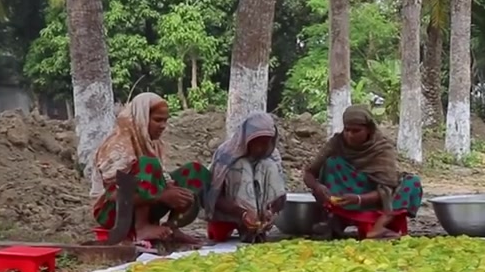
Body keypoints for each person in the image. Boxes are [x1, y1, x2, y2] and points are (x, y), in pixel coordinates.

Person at [91, 93, 208, 245]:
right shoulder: (117, 145)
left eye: (165, 120)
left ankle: (172, 228)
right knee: (148, 163)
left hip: (144, 202)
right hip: (115, 212)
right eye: (158, 120)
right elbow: (113, 195)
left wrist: (172, 189)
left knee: (195, 171)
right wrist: (161, 196)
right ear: (143, 118)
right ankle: (142, 228)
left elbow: (159, 178)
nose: (163, 126)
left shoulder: (153, 143)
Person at [302, 105, 423, 239]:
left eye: (356, 131)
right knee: (332, 163)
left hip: (376, 200)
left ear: (369, 130)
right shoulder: (337, 143)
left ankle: (378, 227)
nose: (349, 135)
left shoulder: (382, 148)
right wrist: (317, 186)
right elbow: (309, 173)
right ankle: (335, 219)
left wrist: (359, 199)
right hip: (346, 196)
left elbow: (387, 186)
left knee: (412, 182)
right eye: (347, 130)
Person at [204, 112, 287, 243]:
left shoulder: (272, 156)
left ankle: (257, 226)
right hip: (227, 215)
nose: (261, 148)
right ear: (246, 139)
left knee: (268, 165)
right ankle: (246, 223)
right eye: (257, 143)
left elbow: (280, 195)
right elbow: (214, 197)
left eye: (266, 143)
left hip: (258, 218)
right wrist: (242, 213)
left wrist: (272, 210)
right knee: (241, 165)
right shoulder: (227, 153)